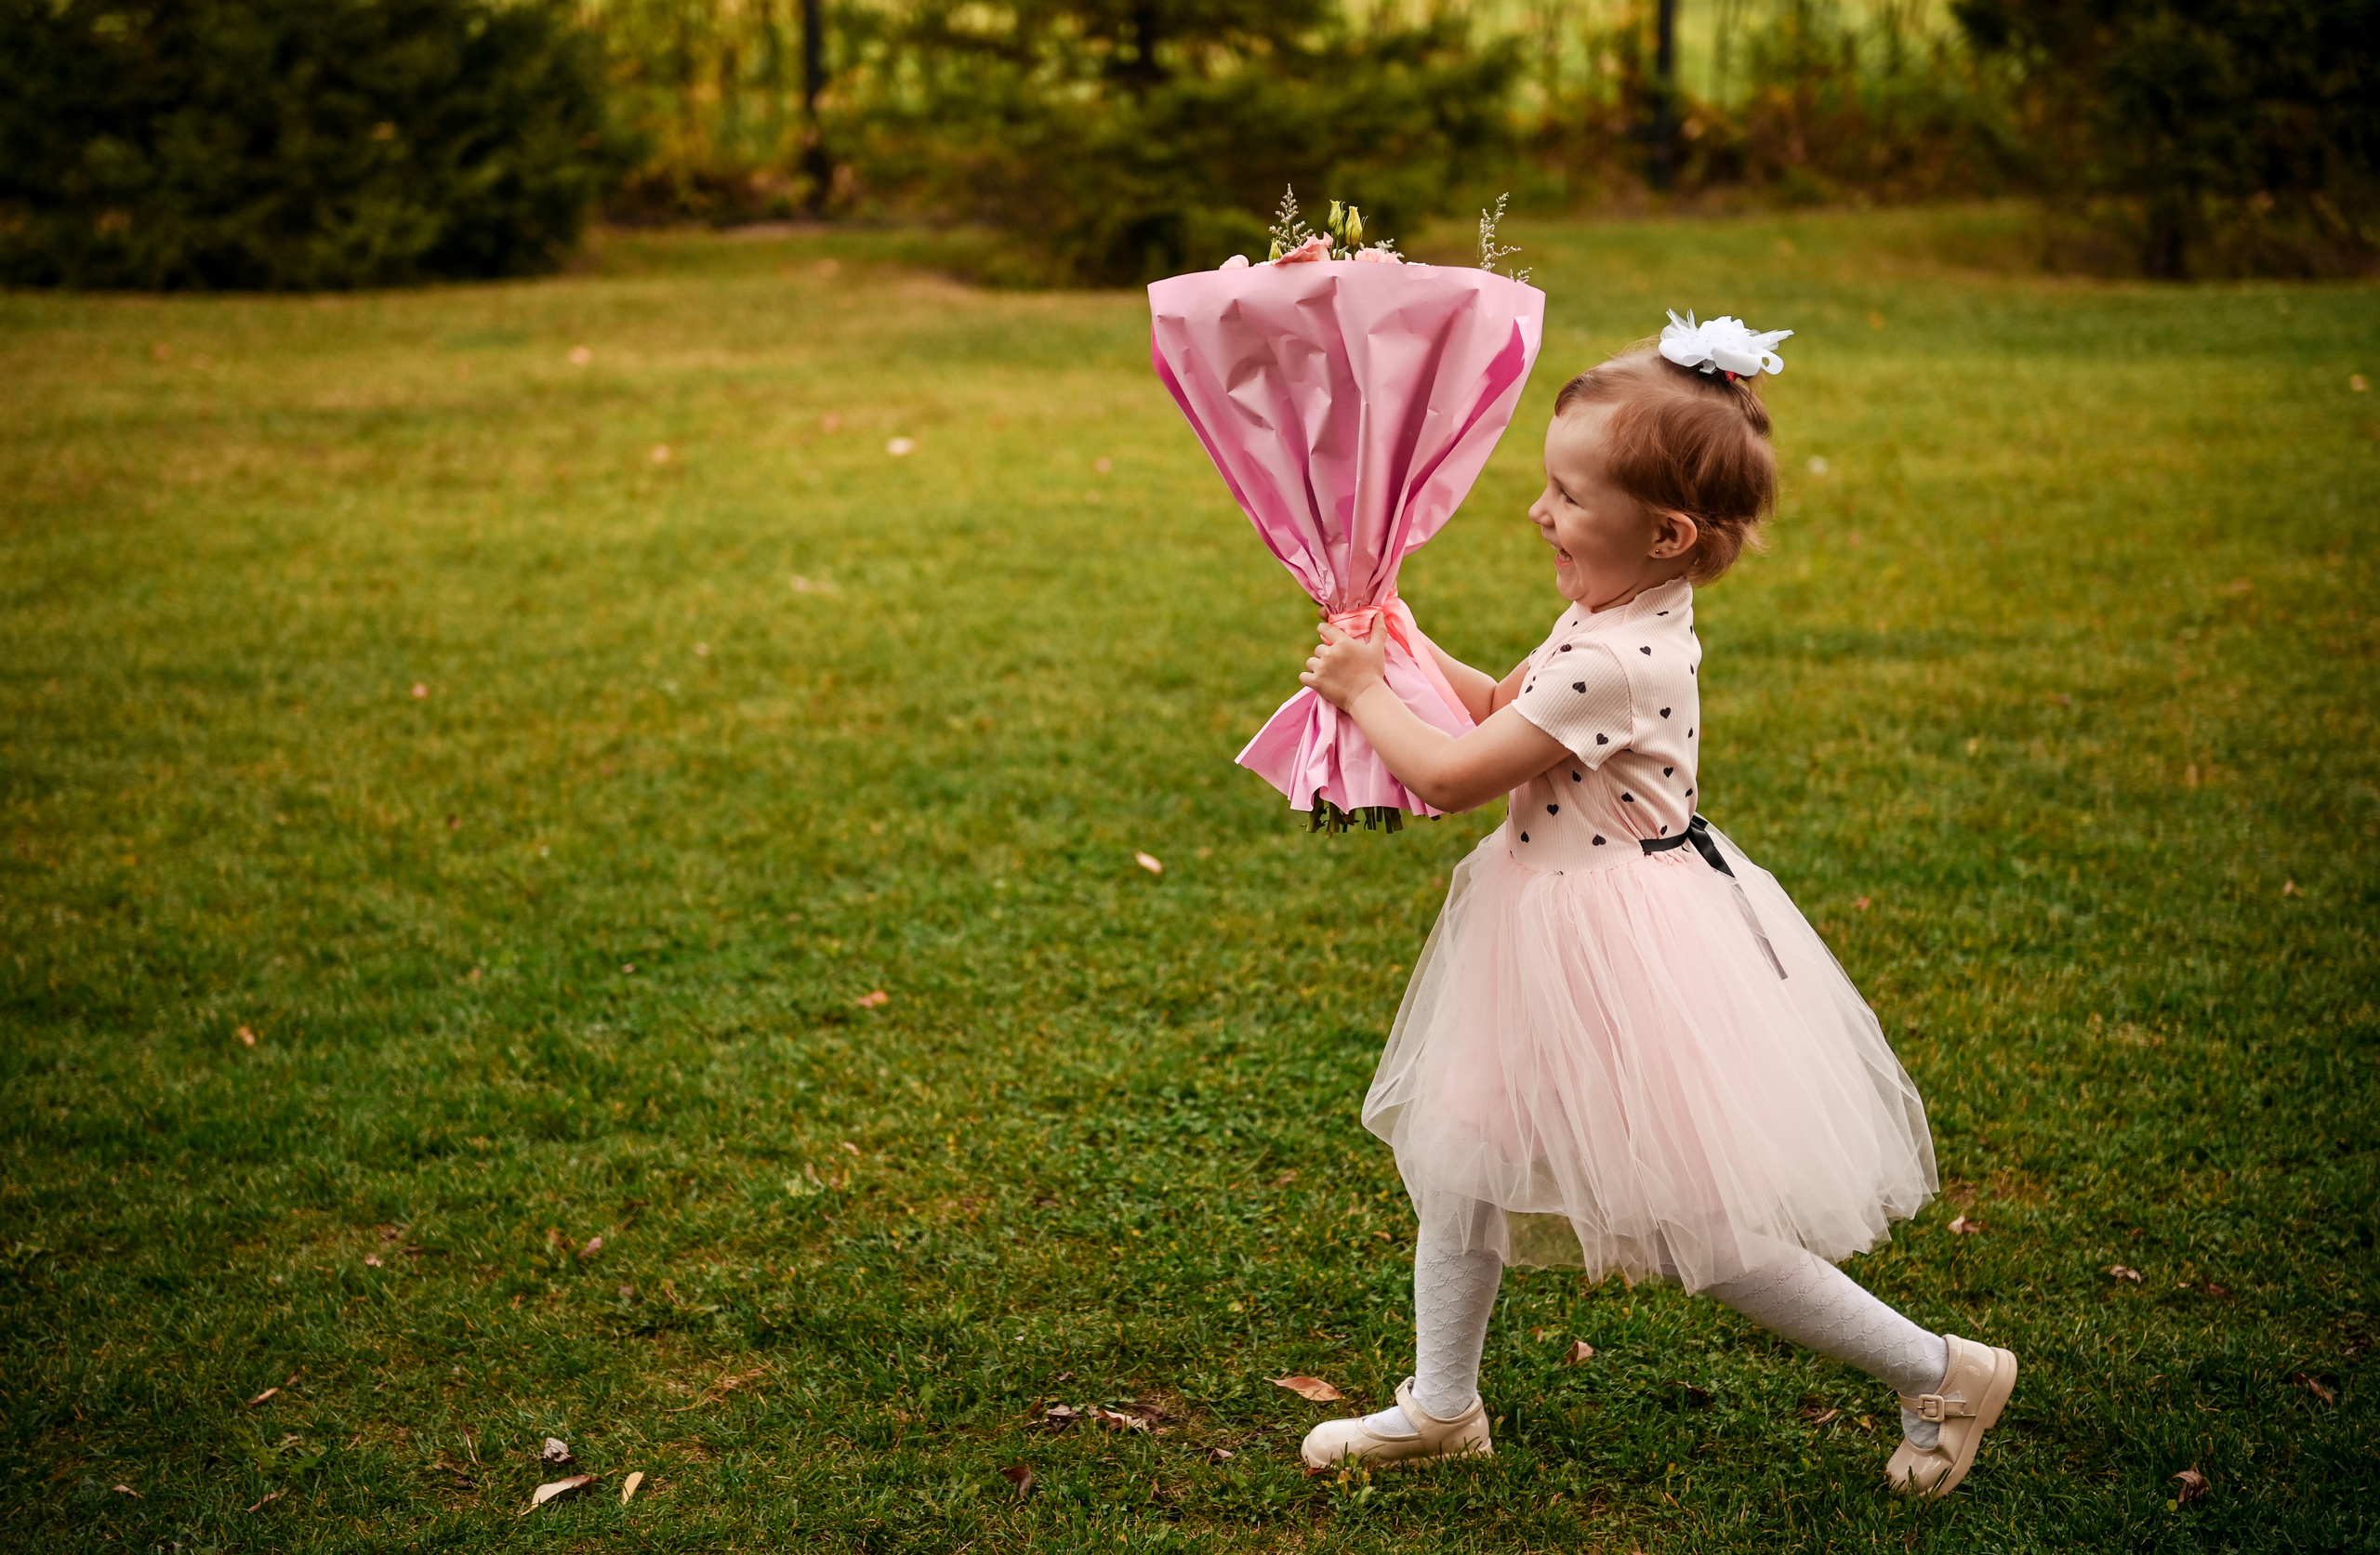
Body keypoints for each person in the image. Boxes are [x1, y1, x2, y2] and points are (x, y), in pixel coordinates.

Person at [1289, 313, 2016, 1498]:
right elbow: (1506, 709)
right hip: (1547, 921)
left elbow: (1451, 772)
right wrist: (1408, 643)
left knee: (1700, 1231)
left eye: (1568, 497)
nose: (1538, 513)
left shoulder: (1618, 657)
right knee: (1463, 1160)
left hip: (1616, 948)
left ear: (1665, 531)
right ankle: (1441, 1401)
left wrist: (1367, 691)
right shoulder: (1611, 619)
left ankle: (1941, 1369)